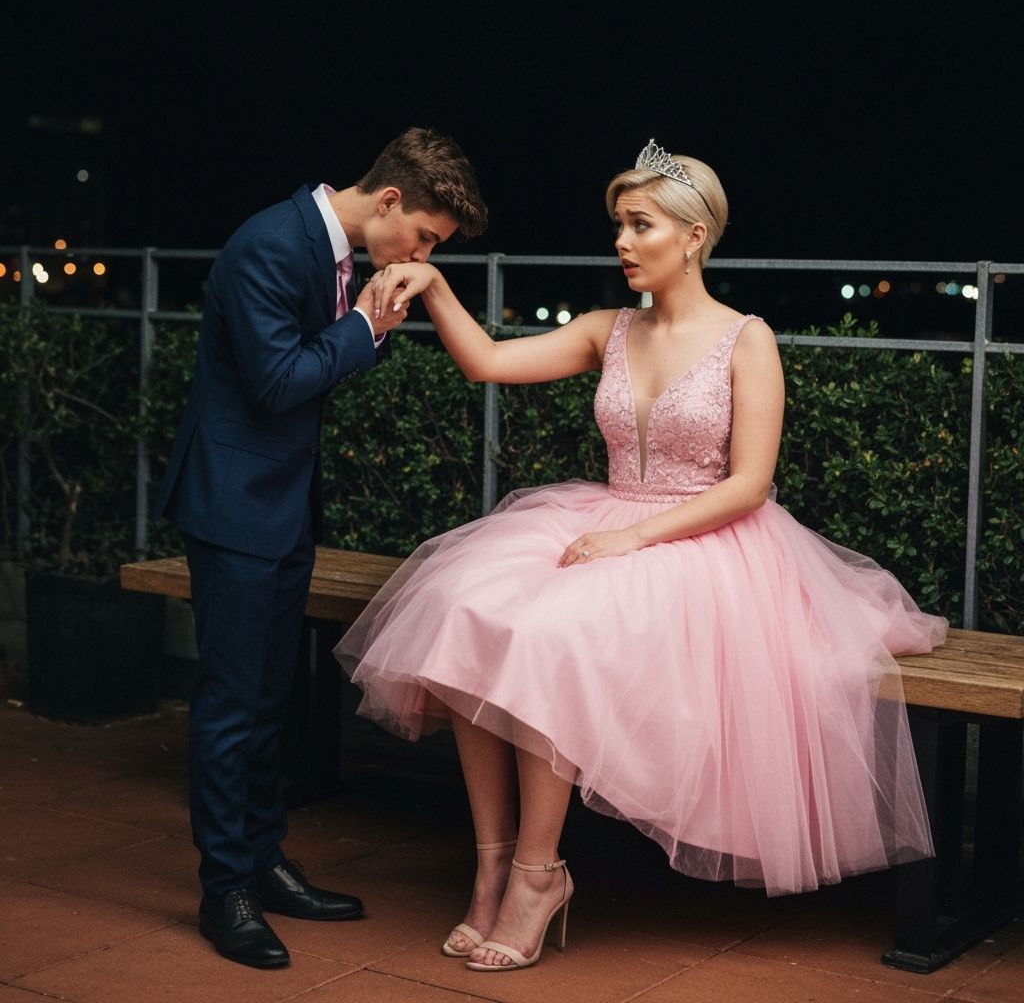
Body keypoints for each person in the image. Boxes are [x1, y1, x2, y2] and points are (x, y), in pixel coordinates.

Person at [335, 139, 947, 973]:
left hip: (705, 542)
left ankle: (537, 876)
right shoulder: (606, 330)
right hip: (603, 514)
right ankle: (489, 867)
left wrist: (633, 539)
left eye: (639, 224)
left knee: (553, 636)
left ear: (693, 236)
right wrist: (436, 283)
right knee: (464, 608)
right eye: (618, 225)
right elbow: (485, 362)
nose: (621, 242)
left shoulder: (746, 340)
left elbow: (750, 485)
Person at [155, 128, 488, 968]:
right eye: (424, 236)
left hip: (280, 505)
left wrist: (363, 326)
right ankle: (223, 888)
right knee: (232, 705)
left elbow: (310, 366)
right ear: (387, 202)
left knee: (270, 698)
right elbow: (276, 384)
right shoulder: (271, 243)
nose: (421, 253)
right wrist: (370, 325)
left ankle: (263, 861)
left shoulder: (332, 247)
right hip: (233, 507)